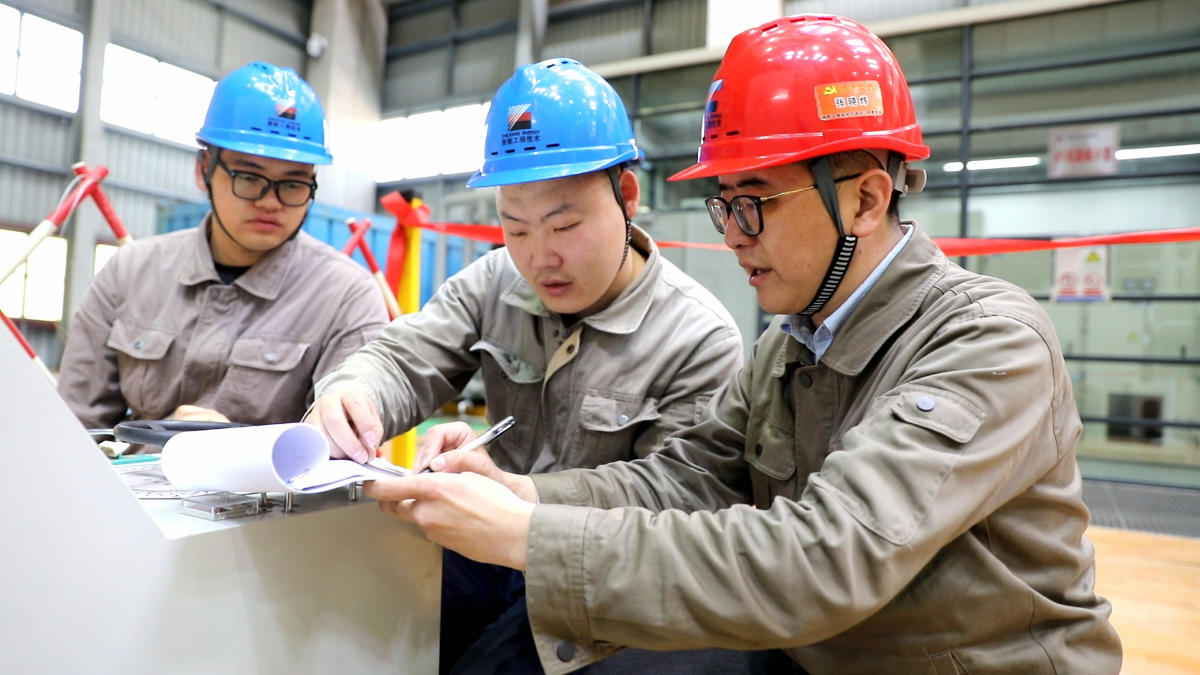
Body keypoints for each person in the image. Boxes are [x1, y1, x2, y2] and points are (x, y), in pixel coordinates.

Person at [362, 15, 1123, 675]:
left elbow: (825, 557)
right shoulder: (787, 351)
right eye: (723, 206)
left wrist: (532, 537)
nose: (732, 238)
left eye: (754, 204)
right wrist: (521, 495)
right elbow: (682, 479)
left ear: (865, 197)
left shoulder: (985, 340)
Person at [305, 59, 744, 673]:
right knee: (351, 614)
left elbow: (672, 496)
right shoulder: (494, 281)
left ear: (627, 196)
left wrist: (525, 497)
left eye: (565, 225)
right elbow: (406, 358)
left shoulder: (698, 337)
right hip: (486, 549)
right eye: (516, 230)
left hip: (596, 575)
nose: (541, 258)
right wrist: (353, 393)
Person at [58, 62, 387, 432]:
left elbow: (343, 449)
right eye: (248, 177)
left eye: (293, 184)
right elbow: (76, 428)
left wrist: (236, 447)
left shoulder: (346, 297)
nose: (270, 202)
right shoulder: (131, 272)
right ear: (204, 169)